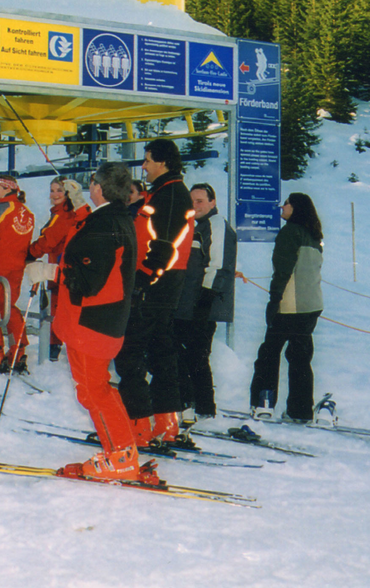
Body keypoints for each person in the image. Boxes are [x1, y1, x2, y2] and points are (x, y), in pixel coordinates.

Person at [55, 162, 158, 484]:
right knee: (95, 388)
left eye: (92, 184)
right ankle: (122, 450)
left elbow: (88, 279)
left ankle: (121, 457)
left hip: (91, 322)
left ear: (98, 187)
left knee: (94, 390)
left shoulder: (105, 224)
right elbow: (96, 247)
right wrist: (79, 206)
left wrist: (51, 272)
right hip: (102, 319)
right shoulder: (115, 217)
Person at [114, 138, 195, 447]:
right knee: (160, 350)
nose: (143, 166)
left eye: (147, 160)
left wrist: (143, 279)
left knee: (131, 351)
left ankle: (137, 427)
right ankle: (165, 422)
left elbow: (165, 244)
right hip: (162, 283)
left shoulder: (171, 193)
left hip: (156, 284)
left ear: (163, 162)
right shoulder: (164, 191)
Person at [249, 192, 324, 422]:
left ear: (297, 208)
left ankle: (263, 404)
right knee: (300, 358)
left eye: (287, 204)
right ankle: (300, 410)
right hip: (311, 305)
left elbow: (282, 270)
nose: (282, 207)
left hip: (289, 305)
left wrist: (274, 300)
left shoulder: (290, 232)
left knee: (269, 354)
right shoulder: (314, 235)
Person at [175, 183, 237, 419]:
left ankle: (204, 408)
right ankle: (192, 404)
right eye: (191, 201)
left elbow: (218, 266)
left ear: (213, 202)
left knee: (197, 357)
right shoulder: (195, 225)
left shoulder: (215, 224)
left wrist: (205, 300)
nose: (195, 206)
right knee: (188, 357)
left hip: (201, 306)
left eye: (200, 201)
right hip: (186, 306)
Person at [27, 176, 90, 361]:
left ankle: (54, 345)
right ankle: (58, 344)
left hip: (61, 265)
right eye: (52, 190)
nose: (54, 195)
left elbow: (48, 240)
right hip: (63, 263)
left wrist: (29, 253)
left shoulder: (64, 214)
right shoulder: (63, 212)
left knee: (57, 306)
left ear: (68, 193)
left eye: (59, 191)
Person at [0, 173, 36, 373]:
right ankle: (18, 349)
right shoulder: (27, 212)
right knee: (9, 306)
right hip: (16, 267)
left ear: (6, 188)